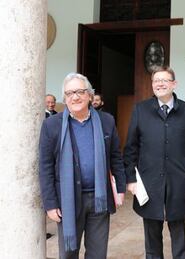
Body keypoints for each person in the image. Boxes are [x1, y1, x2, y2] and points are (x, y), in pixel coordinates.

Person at [39, 72, 126, 259]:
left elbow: (116, 157)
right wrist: (50, 204)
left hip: (99, 199)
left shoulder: (106, 121)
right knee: (69, 254)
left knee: (97, 254)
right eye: (70, 93)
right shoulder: (51, 125)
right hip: (67, 200)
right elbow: (45, 167)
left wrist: (119, 189)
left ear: (89, 95)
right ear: (65, 98)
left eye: (80, 91)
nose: (75, 97)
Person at [123, 66, 185, 259]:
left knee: (179, 235)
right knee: (151, 237)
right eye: (156, 81)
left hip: (178, 182)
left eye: (165, 80)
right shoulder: (141, 110)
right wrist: (131, 179)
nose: (160, 84)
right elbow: (131, 147)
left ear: (174, 84)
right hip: (148, 183)